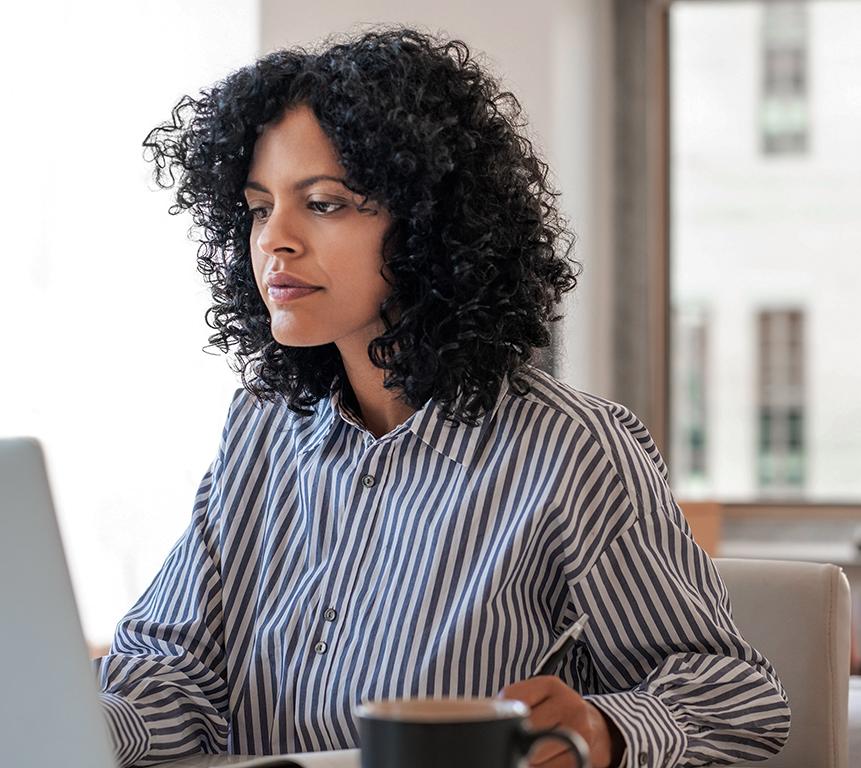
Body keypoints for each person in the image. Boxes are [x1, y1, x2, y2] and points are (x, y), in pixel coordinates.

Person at [95, 28, 789, 768]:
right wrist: (59, 725)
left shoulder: (573, 450)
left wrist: (605, 730)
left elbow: (737, 700)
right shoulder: (261, 428)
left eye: (324, 204)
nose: (276, 241)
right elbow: (171, 676)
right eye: (259, 208)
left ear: (429, 226)